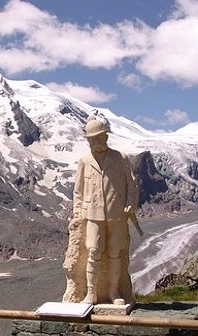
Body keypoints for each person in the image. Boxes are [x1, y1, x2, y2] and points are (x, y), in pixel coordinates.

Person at [62, 116, 139, 305]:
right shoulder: (84, 161)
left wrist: (130, 204)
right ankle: (91, 293)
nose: (95, 142)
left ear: (106, 137)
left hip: (117, 214)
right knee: (93, 251)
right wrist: (78, 213)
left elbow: (132, 185)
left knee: (115, 253)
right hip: (92, 215)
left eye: (98, 138)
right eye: (92, 139)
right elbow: (78, 191)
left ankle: (114, 292)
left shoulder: (120, 158)